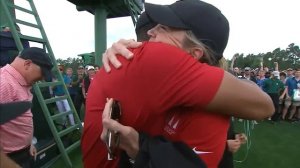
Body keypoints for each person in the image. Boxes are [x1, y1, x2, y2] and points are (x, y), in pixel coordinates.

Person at [82, 1, 274, 168]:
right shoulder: (155, 61)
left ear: (194, 53)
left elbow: (265, 106)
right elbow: (263, 105)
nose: (150, 31)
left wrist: (141, 149)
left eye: (164, 28)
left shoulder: (161, 61)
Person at [0, 47, 53, 168]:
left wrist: (29, 144)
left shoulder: (21, 81)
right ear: (27, 64)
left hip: (24, 152)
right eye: (42, 73)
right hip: (9, 158)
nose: (42, 79)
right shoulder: (3, 83)